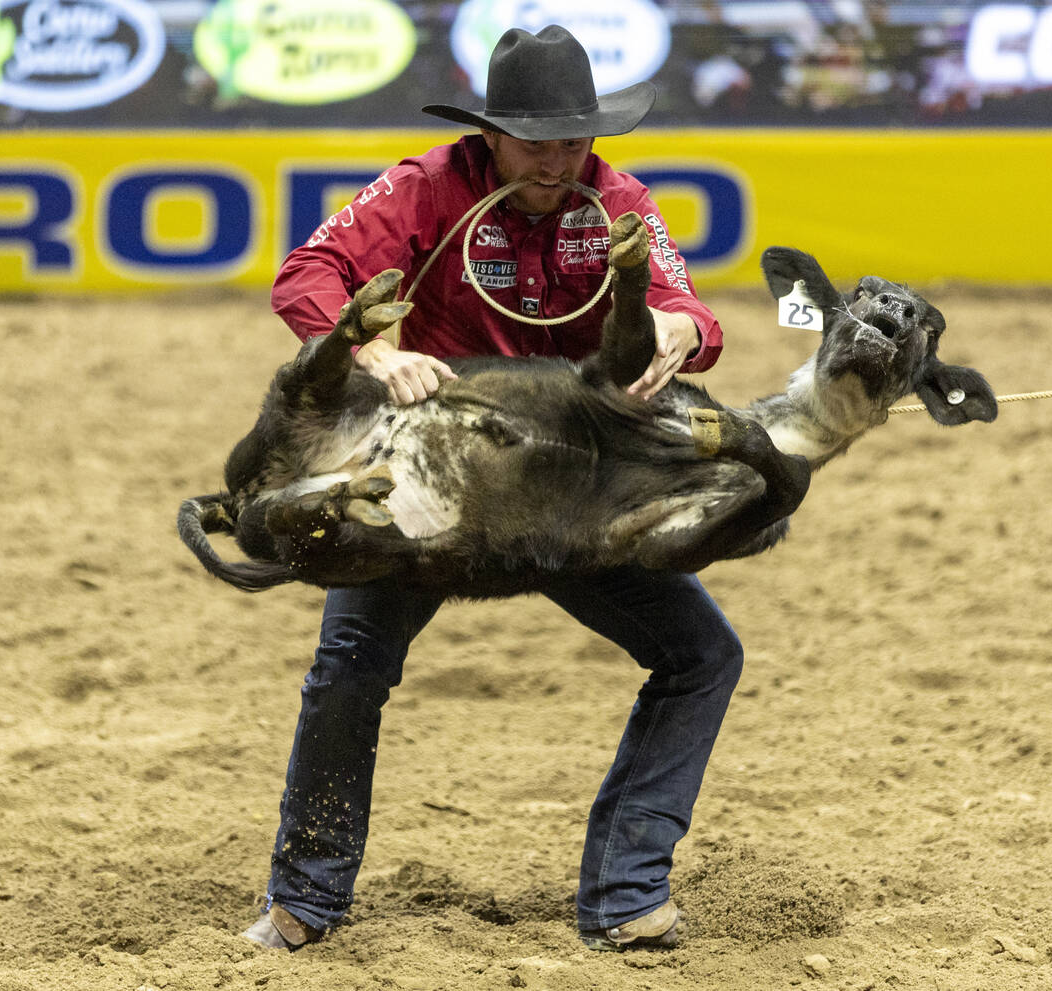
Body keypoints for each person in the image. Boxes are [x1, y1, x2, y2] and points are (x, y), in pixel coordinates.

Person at [244, 25, 746, 953]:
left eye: (573, 141)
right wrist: (375, 351)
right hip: (426, 478)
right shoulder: (426, 186)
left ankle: (627, 893)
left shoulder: (619, 200)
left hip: (566, 484)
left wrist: (683, 331)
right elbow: (308, 273)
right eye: (535, 141)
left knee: (702, 653)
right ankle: (302, 900)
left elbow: (687, 305)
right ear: (490, 135)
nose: (556, 160)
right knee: (351, 666)